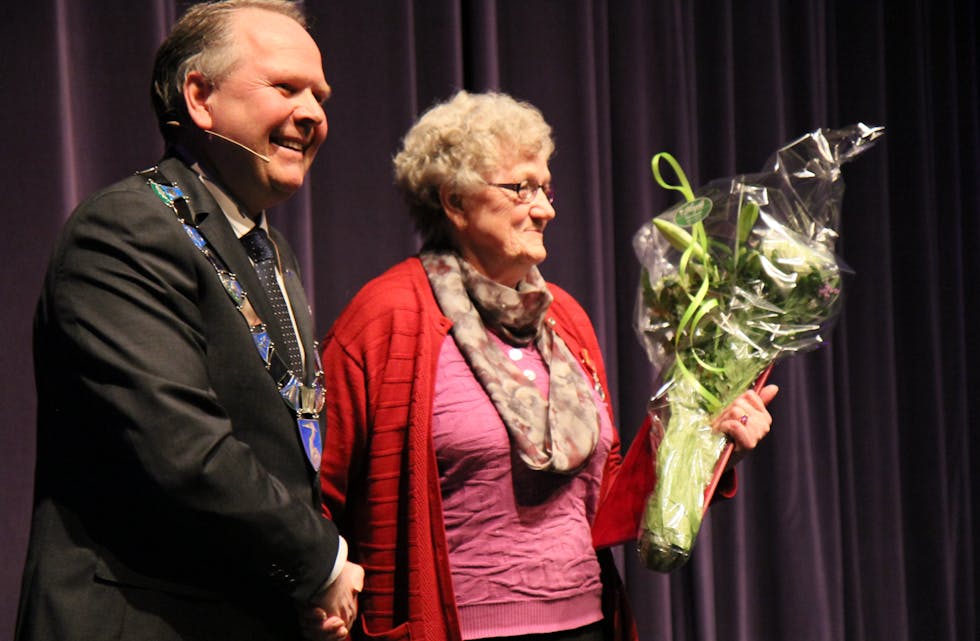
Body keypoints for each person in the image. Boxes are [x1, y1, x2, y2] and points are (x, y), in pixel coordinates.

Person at [319, 90, 777, 641]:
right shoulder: (386, 318)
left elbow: (606, 497)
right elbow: (319, 492)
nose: (545, 208)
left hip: (587, 625)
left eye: (545, 188)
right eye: (520, 188)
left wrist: (707, 445)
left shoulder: (566, 321)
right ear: (454, 202)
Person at [16, 2, 362, 640]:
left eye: (320, 94)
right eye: (285, 87)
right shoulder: (126, 229)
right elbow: (181, 446)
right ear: (200, 97)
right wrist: (322, 563)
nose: (313, 113)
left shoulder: (267, 249)